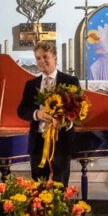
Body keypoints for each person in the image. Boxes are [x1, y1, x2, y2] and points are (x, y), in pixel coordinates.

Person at [17, 41, 80, 187]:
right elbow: (21, 110)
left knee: (60, 188)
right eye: (38, 58)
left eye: (45, 57)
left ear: (55, 58)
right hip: (38, 143)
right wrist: (36, 114)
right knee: (38, 189)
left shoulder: (70, 81)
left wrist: (65, 121)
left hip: (61, 142)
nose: (41, 61)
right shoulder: (31, 85)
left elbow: (77, 111)